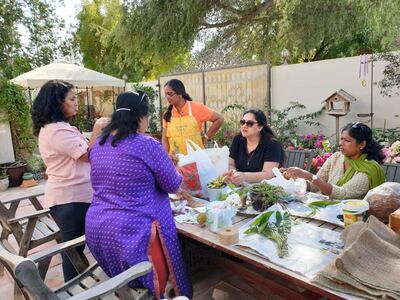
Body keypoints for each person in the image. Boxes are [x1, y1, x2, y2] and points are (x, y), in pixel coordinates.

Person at [86, 91, 192, 299]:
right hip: (133, 233)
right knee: (151, 286)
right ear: (140, 117)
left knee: (125, 282)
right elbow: (172, 184)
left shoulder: (98, 145)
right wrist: (173, 166)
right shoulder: (146, 144)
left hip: (98, 228)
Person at [32, 80, 92, 281]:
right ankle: (73, 291)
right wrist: (100, 128)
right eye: (72, 99)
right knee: (73, 251)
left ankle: (76, 287)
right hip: (71, 199)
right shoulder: (57, 130)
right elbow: (89, 155)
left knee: (75, 249)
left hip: (73, 196)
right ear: (58, 103)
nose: (77, 103)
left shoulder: (59, 127)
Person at [284, 122, 386, 199]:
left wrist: (309, 176)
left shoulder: (369, 169)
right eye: (341, 139)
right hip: (328, 211)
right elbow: (315, 186)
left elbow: (342, 194)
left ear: (362, 145)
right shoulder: (337, 157)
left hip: (351, 218)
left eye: (347, 140)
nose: (341, 143)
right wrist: (294, 179)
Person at [162, 79, 223, 155]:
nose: (167, 97)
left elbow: (219, 119)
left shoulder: (197, 108)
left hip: (196, 160)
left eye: (170, 94)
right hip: (176, 162)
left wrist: (205, 138)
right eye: (166, 94)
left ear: (180, 94)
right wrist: (166, 158)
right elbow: (165, 140)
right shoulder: (167, 114)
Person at [225, 109, 284, 185]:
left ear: (260, 127)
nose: (244, 126)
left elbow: (269, 174)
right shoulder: (238, 140)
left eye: (250, 123)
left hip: (263, 188)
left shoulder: (272, 144)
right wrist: (234, 173)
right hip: (239, 187)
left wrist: (245, 176)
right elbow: (230, 163)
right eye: (242, 122)